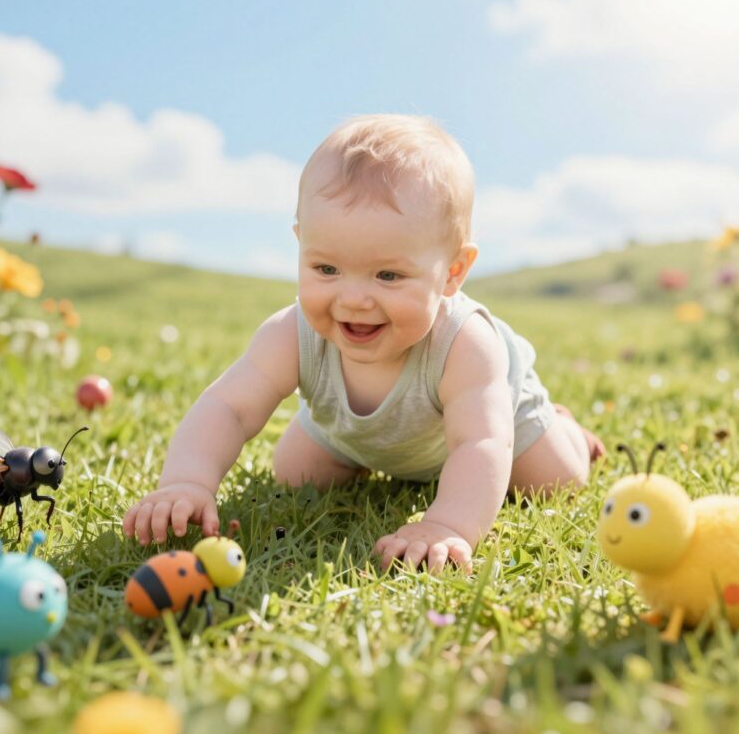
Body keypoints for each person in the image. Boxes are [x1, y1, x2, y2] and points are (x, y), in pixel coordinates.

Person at [123, 114, 605, 572]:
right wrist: (187, 481)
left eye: (388, 275)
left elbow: (479, 442)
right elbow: (228, 407)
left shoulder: (465, 345)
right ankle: (360, 452)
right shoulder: (290, 333)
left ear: (452, 272)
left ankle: (567, 429)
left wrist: (447, 525)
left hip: (495, 420)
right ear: (301, 244)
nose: (352, 299)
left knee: (555, 479)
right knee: (295, 473)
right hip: (356, 437)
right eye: (326, 269)